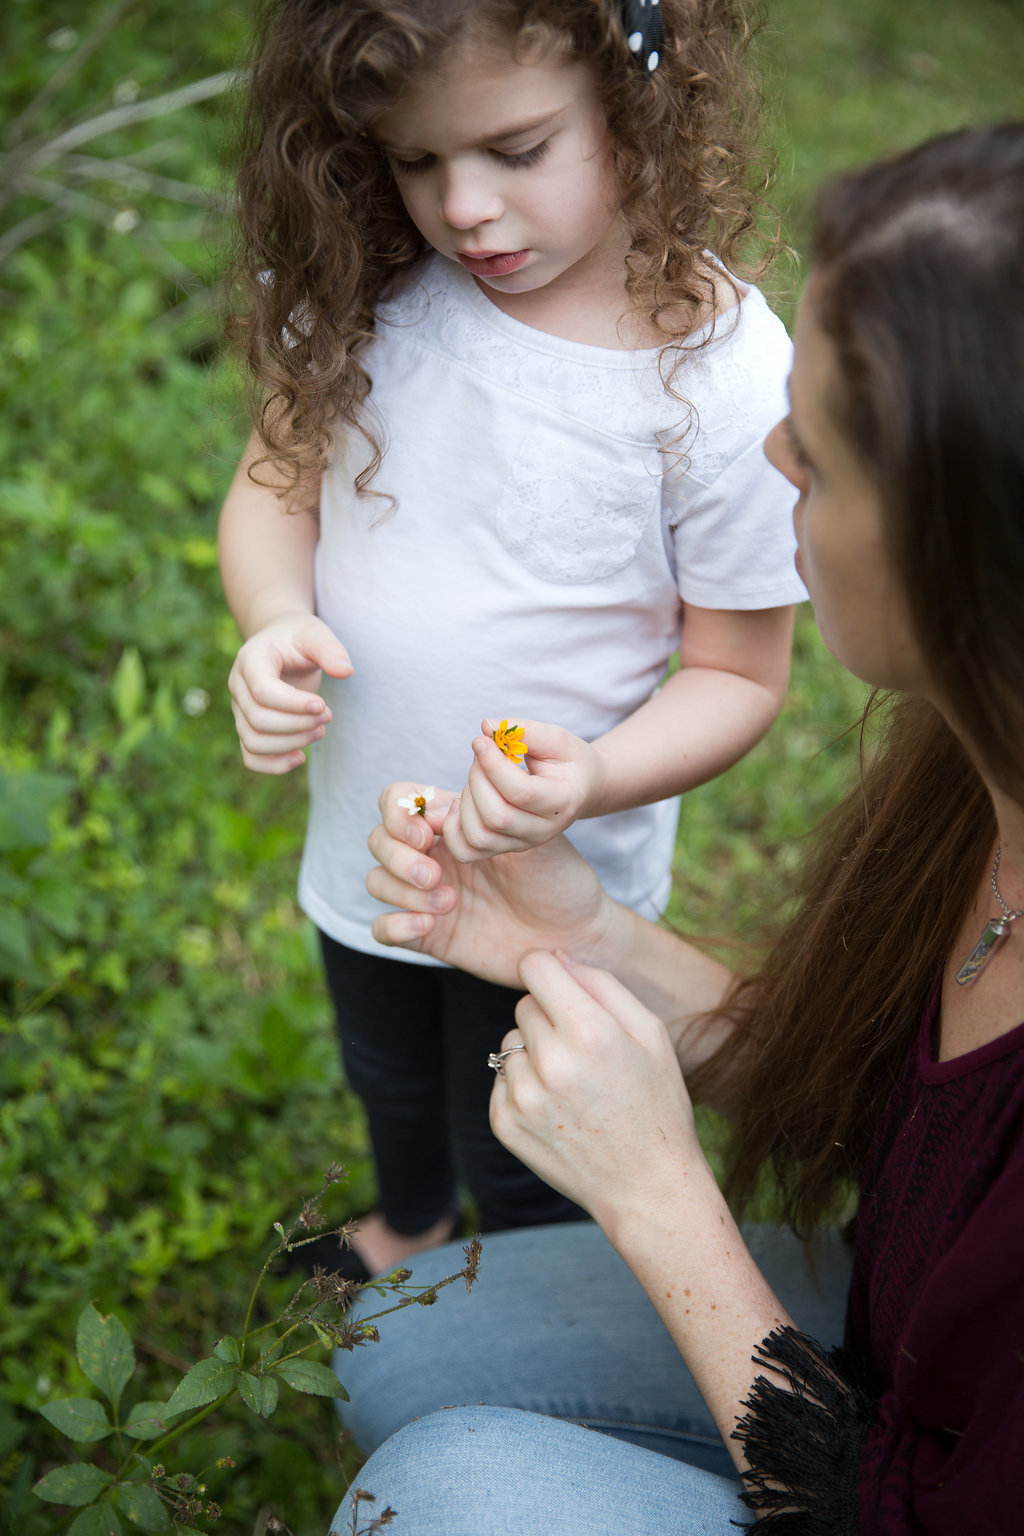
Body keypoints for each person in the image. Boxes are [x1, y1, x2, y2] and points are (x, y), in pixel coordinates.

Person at [327, 123, 1024, 1533]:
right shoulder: (973, 766)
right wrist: (586, 932)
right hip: (890, 1361)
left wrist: (659, 1199)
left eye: (817, 458)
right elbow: (898, 1132)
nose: (766, 454)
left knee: (438, 1494)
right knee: (388, 1344)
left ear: (969, 543)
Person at [218, 0, 804, 1276]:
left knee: (524, 1132)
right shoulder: (374, 282)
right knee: (388, 1066)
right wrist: (272, 620)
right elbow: (278, 487)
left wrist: (592, 776)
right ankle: (408, 1221)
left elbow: (739, 668)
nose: (463, 208)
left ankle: (522, 1303)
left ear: (637, 105)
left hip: (551, 875)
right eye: (417, 162)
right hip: (369, 831)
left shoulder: (716, 377)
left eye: (517, 149)